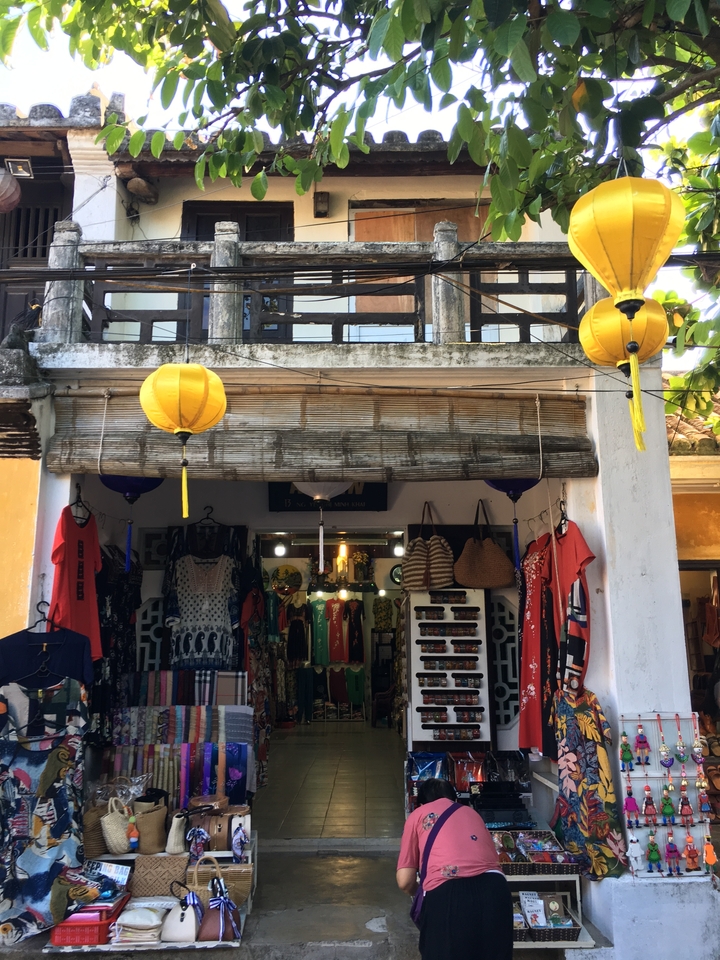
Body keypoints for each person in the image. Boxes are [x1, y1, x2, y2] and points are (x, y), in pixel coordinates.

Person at [396, 778, 513, 960]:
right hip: (496, 890)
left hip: (448, 895)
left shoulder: (418, 815)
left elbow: (405, 880)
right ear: (455, 800)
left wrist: (420, 893)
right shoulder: (472, 813)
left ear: (420, 804)